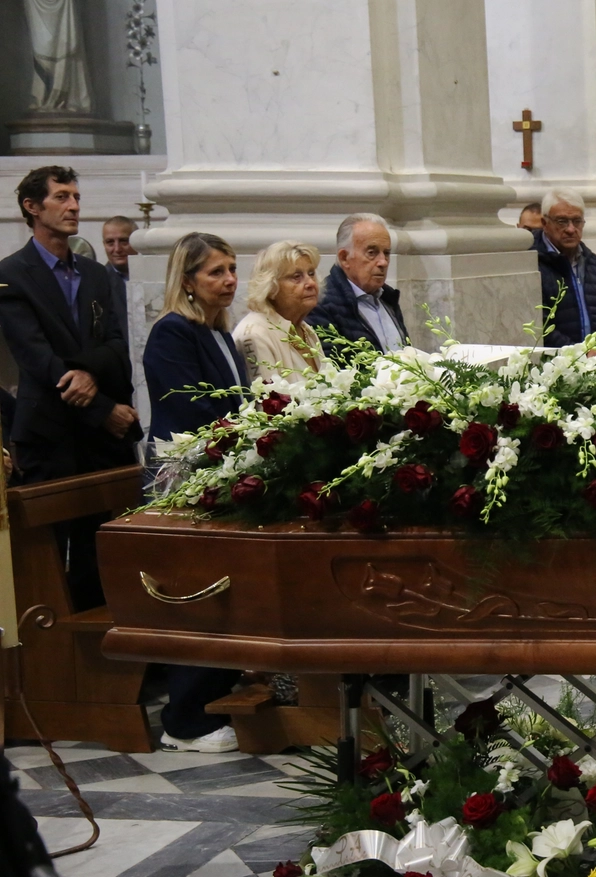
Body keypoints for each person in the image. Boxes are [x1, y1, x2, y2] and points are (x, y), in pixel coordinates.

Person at [0, 166, 139, 610]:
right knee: (47, 560)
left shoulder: (96, 274)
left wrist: (88, 375)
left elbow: (118, 346)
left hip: (100, 442)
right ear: (32, 207)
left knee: (103, 554)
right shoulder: (11, 275)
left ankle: (113, 662)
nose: (74, 206)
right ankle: (56, 666)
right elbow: (38, 359)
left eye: (76, 196)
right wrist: (104, 408)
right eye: (61, 197)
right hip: (51, 434)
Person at [143, 231, 250, 754]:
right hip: (183, 480)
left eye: (232, 269)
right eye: (216, 272)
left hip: (221, 475)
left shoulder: (218, 332)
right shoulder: (172, 333)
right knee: (193, 593)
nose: (229, 280)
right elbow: (190, 409)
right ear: (187, 281)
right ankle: (183, 720)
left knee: (223, 590)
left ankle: (214, 697)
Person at [531, 188, 596, 348]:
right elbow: (538, 324)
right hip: (554, 365)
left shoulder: (594, 264)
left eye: (577, 221)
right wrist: (578, 354)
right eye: (562, 221)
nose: (571, 229)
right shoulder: (532, 264)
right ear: (545, 223)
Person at [307, 213, 408, 354]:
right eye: (372, 252)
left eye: (386, 253)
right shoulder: (322, 304)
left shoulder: (388, 299)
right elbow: (333, 369)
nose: (383, 262)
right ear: (344, 258)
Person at [233, 240, 325, 380]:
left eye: (311, 273)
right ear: (270, 287)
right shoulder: (255, 335)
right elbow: (268, 400)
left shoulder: (307, 331)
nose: (311, 283)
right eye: (296, 277)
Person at [101, 214, 136, 341]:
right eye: (110, 242)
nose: (117, 249)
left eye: (124, 241)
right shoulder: (98, 281)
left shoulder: (152, 275)